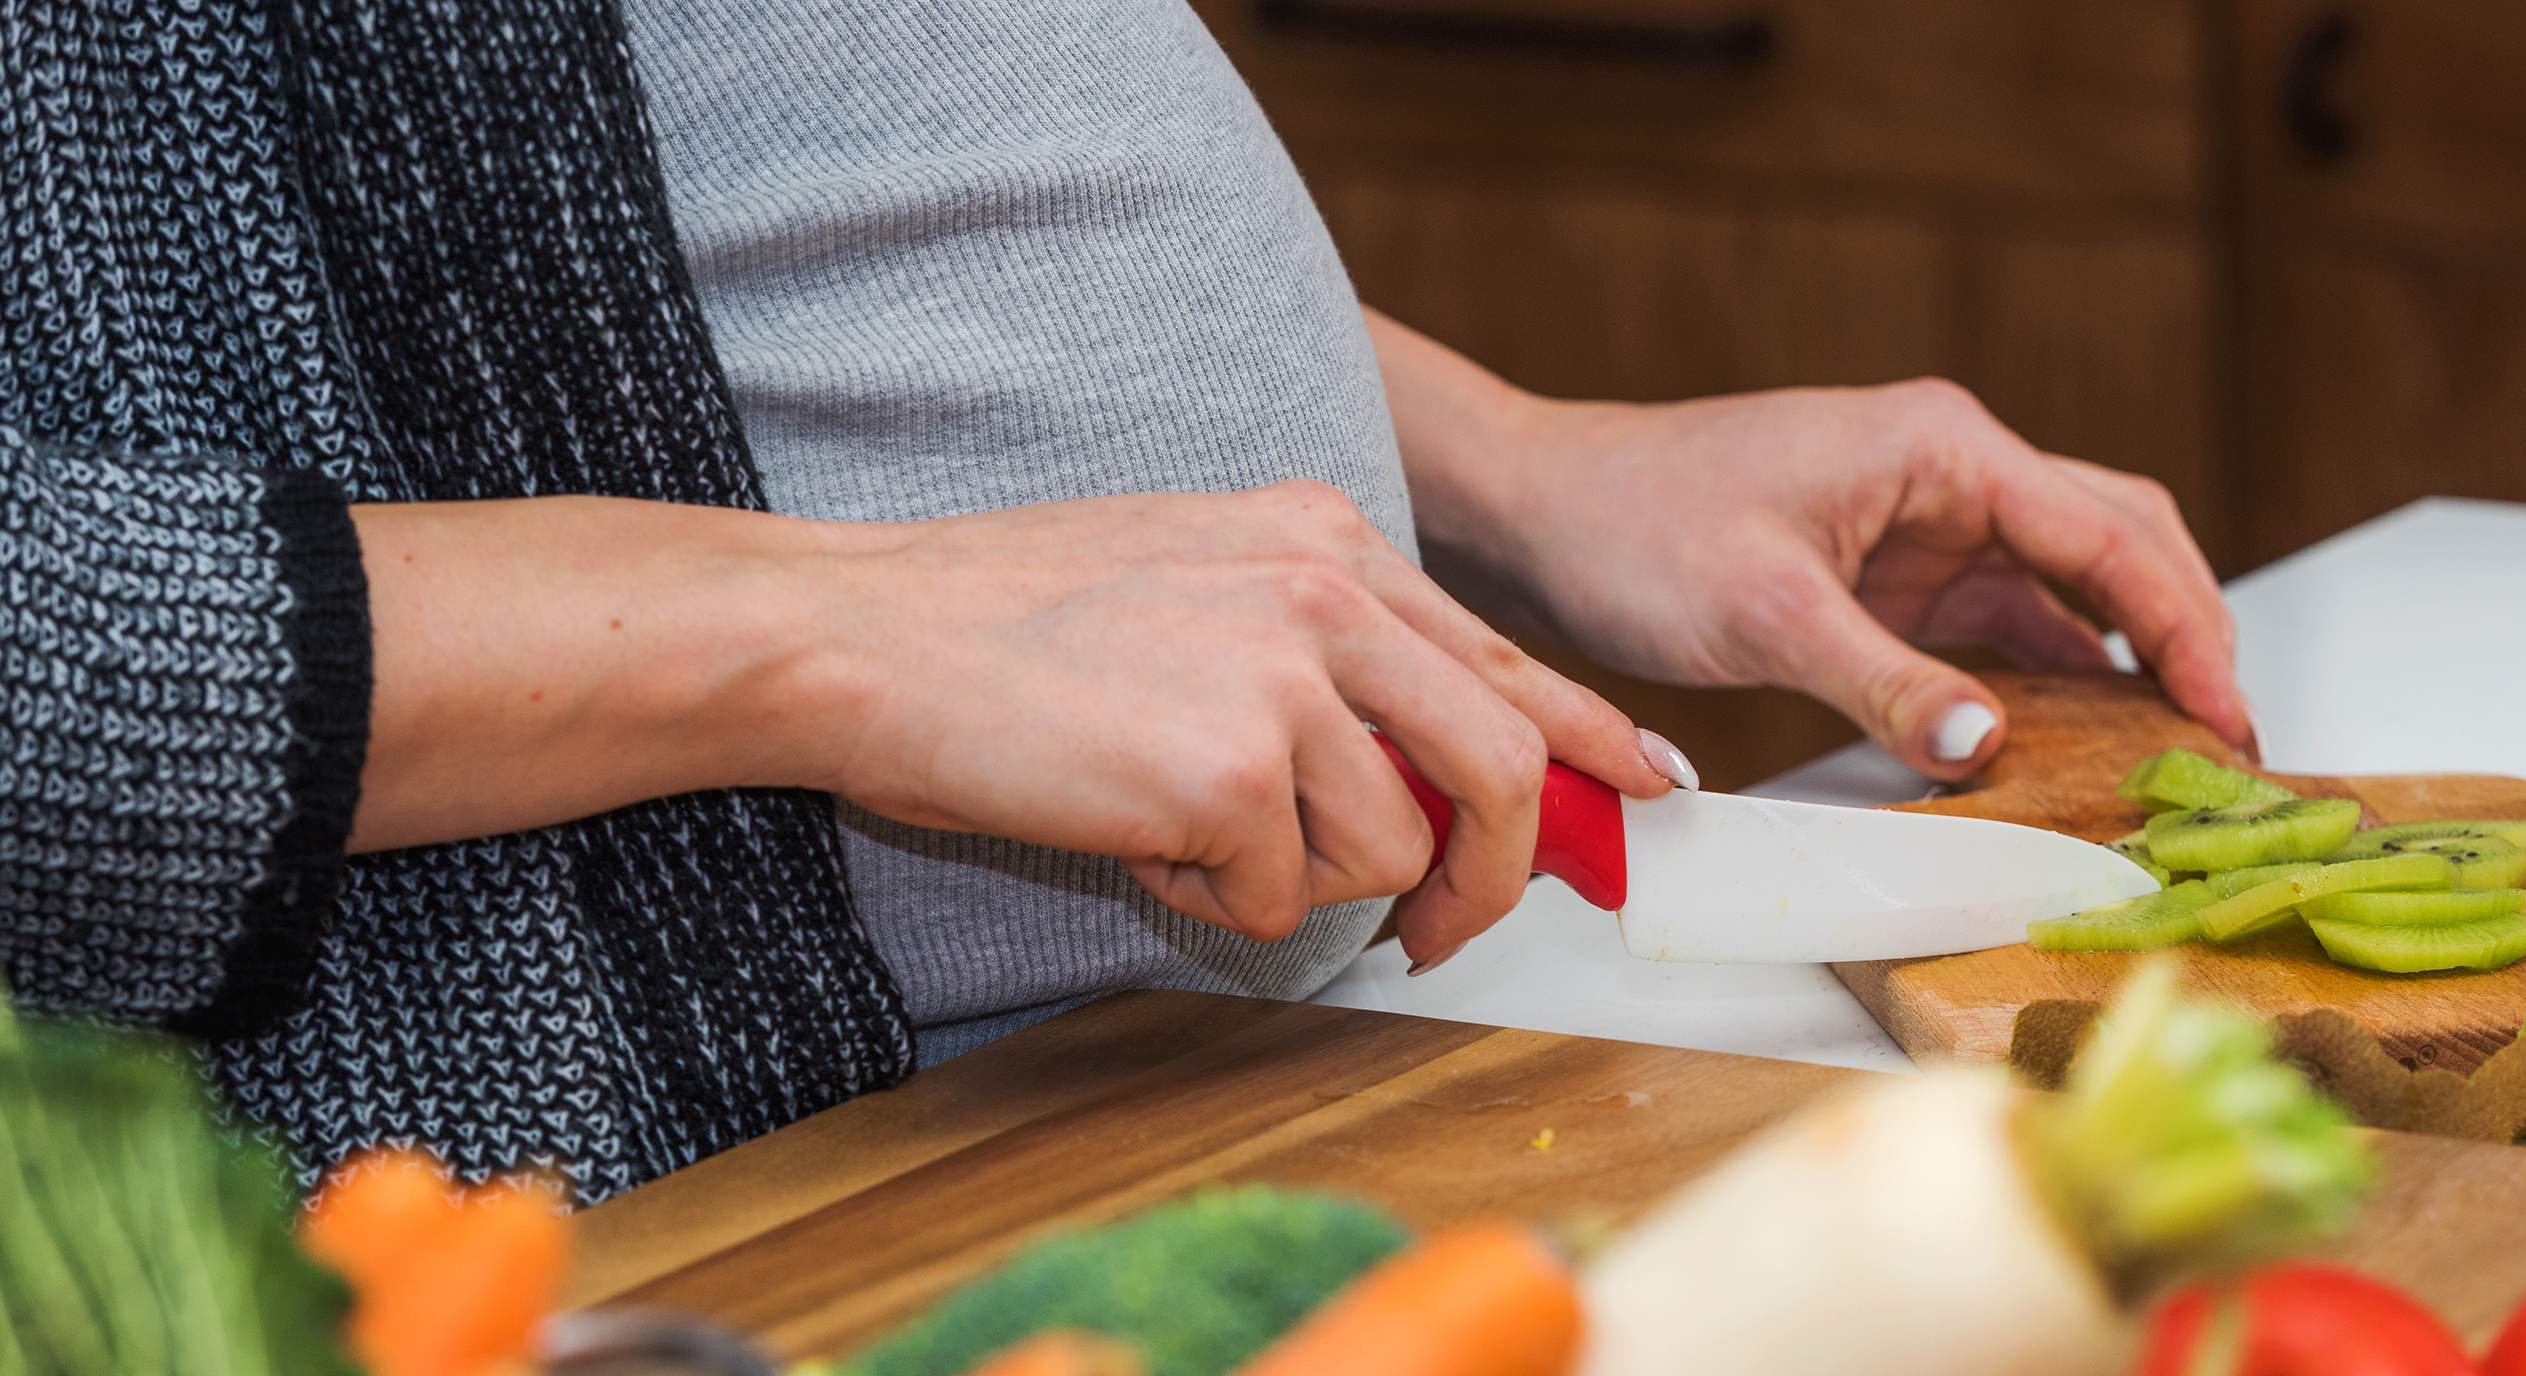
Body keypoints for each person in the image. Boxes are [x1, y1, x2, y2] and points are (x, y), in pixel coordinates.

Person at [0, 0, 2249, 1200]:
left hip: (1229, 1094)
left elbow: (771, 158)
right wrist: (830, 639)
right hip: (708, 1223)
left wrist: (1512, 463)